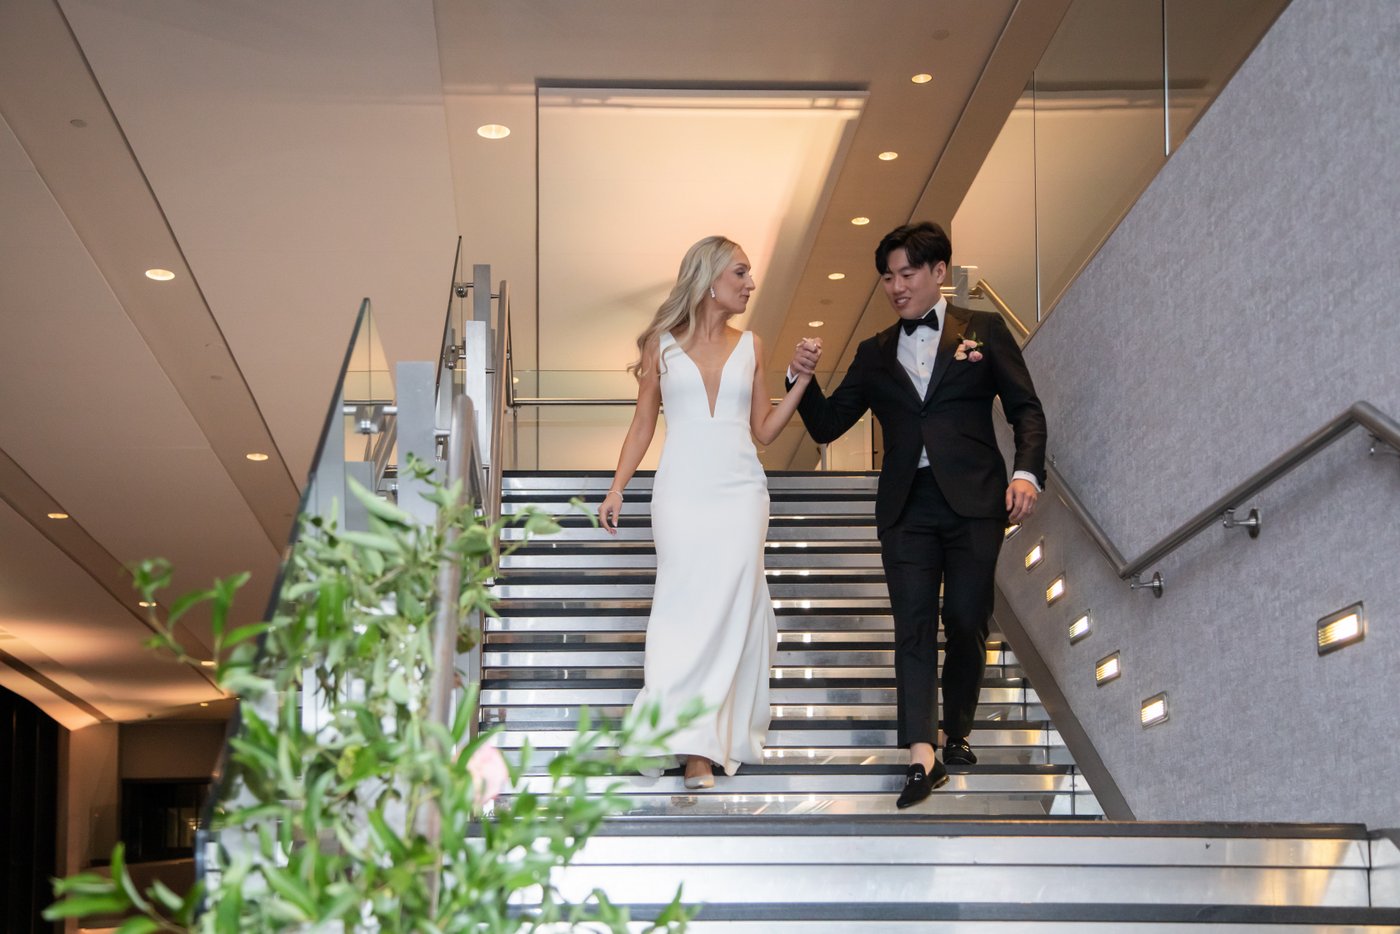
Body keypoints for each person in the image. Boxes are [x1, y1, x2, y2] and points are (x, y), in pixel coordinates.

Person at [787, 221, 1046, 809]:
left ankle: (958, 729)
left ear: (938, 273)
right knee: (912, 628)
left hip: (977, 502)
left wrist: (1026, 472)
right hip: (906, 506)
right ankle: (920, 757)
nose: (896, 286)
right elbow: (829, 425)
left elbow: (1026, 408)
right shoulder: (874, 353)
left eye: (907, 273)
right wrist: (799, 379)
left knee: (965, 618)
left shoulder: (983, 330)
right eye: (887, 277)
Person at [600, 235, 819, 790]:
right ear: (710, 276)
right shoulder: (659, 346)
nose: (749, 283)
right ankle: (678, 734)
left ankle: (702, 749)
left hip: (742, 491)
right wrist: (617, 488)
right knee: (682, 608)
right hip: (682, 491)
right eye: (741, 272)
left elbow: (765, 431)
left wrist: (800, 381)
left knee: (730, 610)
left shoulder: (754, 345)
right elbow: (643, 424)